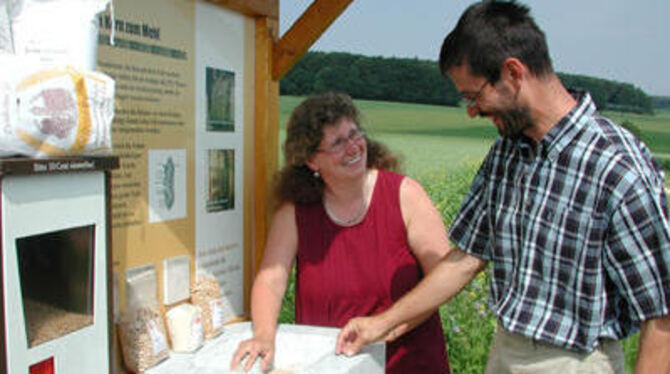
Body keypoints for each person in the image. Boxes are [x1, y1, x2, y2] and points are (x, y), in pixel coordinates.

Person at [336, 2, 670, 373]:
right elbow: (465, 259)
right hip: (505, 350)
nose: (471, 111)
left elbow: (662, 316)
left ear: (513, 72)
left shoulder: (617, 166)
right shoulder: (507, 152)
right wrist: (381, 322)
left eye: (474, 96)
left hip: (575, 361)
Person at [230, 92, 451, 373]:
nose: (353, 147)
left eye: (354, 134)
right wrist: (263, 335)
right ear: (311, 161)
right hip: (332, 363)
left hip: (408, 361)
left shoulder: (405, 194)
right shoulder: (295, 213)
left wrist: (390, 326)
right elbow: (271, 279)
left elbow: (444, 278)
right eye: (337, 143)